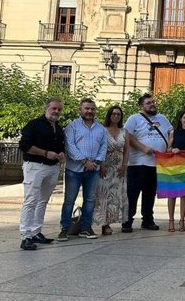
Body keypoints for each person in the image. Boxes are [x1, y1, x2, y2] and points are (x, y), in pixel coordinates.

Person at [18, 98, 66, 251]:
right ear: (46, 108)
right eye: (54, 109)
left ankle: (36, 231)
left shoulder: (58, 128)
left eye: (59, 109)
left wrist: (61, 153)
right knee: (31, 200)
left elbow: (60, 146)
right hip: (35, 166)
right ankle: (25, 236)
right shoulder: (34, 124)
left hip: (52, 168)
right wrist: (45, 153)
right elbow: (24, 145)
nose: (56, 112)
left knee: (43, 201)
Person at [122, 94, 172, 232]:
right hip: (138, 164)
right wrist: (144, 148)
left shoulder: (162, 118)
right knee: (132, 194)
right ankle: (127, 220)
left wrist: (169, 146)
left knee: (149, 194)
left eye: (153, 102)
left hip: (155, 164)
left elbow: (171, 132)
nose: (152, 104)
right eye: (149, 103)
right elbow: (127, 136)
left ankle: (148, 220)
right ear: (141, 106)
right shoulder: (134, 119)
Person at [59, 98, 107, 241]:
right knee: (69, 200)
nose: (89, 111)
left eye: (92, 109)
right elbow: (70, 146)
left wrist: (96, 162)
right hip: (74, 169)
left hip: (93, 170)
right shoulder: (72, 127)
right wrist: (85, 161)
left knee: (90, 200)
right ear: (80, 110)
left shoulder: (100, 128)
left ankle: (86, 228)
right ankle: (64, 229)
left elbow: (104, 146)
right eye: (86, 108)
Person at [93, 105, 129, 236]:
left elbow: (127, 150)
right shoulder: (102, 130)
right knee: (103, 194)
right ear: (109, 115)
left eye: (118, 114)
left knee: (116, 196)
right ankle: (104, 223)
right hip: (105, 166)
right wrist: (100, 164)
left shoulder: (124, 131)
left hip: (119, 167)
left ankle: (112, 220)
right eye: (113, 113)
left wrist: (124, 166)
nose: (116, 116)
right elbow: (98, 148)